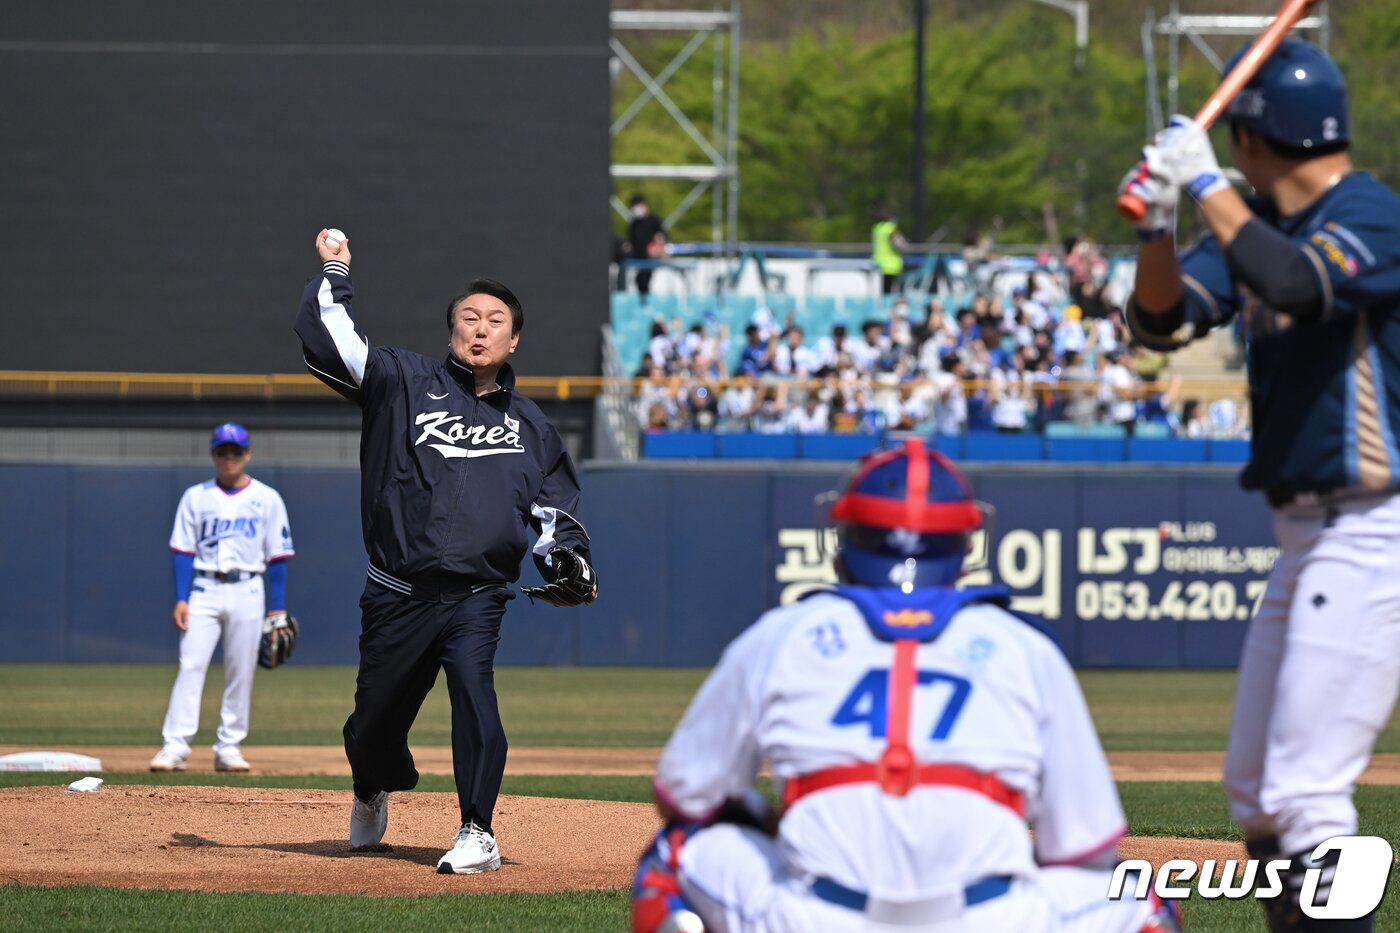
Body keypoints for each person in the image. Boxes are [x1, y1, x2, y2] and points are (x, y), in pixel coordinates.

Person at [631, 438, 1180, 933]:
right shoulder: (1023, 647)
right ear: (965, 543)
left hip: (814, 920)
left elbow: (683, 792)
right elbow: (1083, 843)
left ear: (845, 536)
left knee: (677, 852)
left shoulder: (783, 634)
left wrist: (762, 812)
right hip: (989, 921)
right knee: (1137, 891)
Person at [1119, 40, 1400, 931]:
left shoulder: (1373, 214)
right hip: (1305, 538)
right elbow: (1158, 321)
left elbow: (1297, 282)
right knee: (1254, 791)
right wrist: (1157, 227)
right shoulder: (1246, 225)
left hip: (1374, 527)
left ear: (1249, 141)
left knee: (1308, 793)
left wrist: (1204, 188)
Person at [295, 229, 598, 874]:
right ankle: (373, 784)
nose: (481, 330)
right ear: (452, 330)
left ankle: (476, 830)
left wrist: (568, 558)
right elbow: (330, 338)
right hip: (398, 592)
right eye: (470, 318)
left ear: (513, 341)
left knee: (475, 694)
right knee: (371, 726)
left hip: (476, 596)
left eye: (495, 321)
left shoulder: (535, 428)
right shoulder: (401, 380)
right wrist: (335, 270)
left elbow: (555, 513)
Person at [151, 422, 295, 773]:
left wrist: (277, 607)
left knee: (241, 669)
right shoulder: (196, 497)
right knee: (191, 663)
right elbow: (183, 551)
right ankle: (174, 746)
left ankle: (229, 746)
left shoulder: (266, 498)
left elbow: (278, 556)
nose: (229, 457)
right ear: (214, 455)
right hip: (204, 588)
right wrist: (181, 598)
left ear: (247, 454)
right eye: (222, 451)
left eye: (236, 451)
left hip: (248, 587)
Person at [628, 194, 668, 302]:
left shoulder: (654, 220)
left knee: (644, 279)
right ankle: (643, 301)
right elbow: (632, 241)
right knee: (639, 280)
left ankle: (646, 301)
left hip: (651, 257)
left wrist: (659, 242)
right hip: (638, 257)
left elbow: (663, 237)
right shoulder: (634, 223)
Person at [871, 208, 909, 294]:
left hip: (878, 264)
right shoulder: (890, 228)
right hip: (891, 266)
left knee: (882, 293)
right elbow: (899, 244)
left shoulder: (877, 228)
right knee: (892, 294)